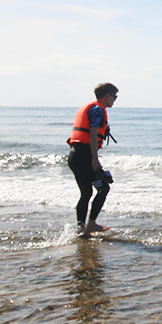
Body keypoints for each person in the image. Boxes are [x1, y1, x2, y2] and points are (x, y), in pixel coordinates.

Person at [66, 82, 118, 236]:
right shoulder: (97, 110)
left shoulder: (91, 107)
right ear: (106, 96)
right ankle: (91, 224)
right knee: (103, 188)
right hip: (84, 158)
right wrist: (95, 160)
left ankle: (81, 228)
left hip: (75, 156)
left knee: (86, 192)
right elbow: (93, 132)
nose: (114, 100)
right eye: (114, 96)